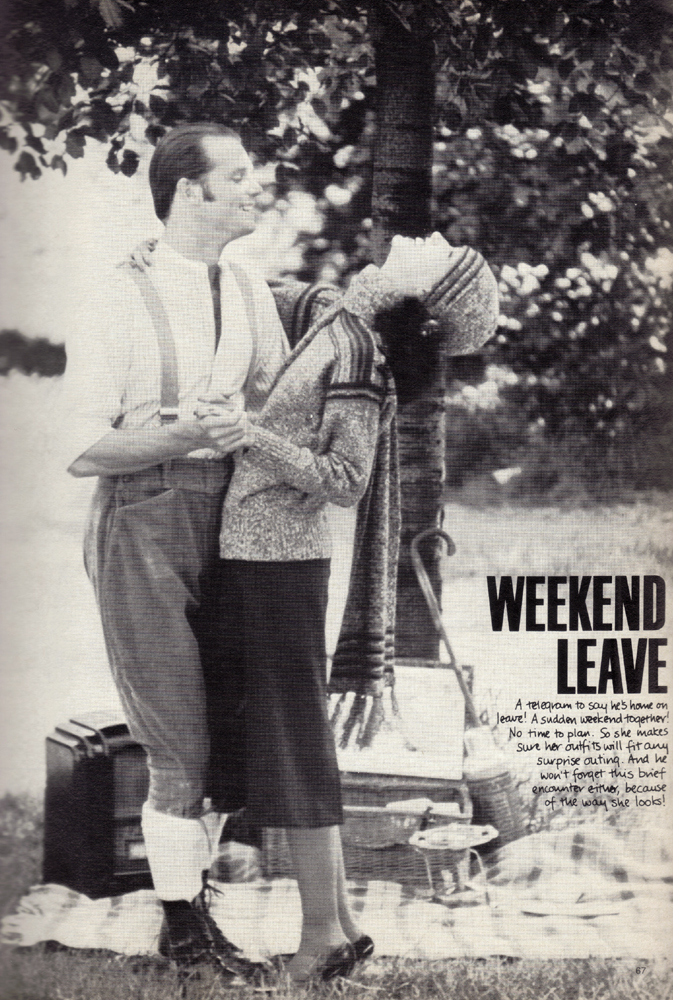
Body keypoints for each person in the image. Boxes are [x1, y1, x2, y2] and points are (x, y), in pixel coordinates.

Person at [196, 232, 499, 983]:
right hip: (265, 558)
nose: (431, 234)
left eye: (443, 250)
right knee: (296, 743)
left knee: (292, 749)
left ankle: (317, 940)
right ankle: (337, 926)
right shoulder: (345, 320)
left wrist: (249, 438)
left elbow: (344, 478)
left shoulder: (360, 355)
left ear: (426, 295)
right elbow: (254, 293)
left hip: (276, 564)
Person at [62, 122, 290, 976]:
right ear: (189, 191)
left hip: (230, 518)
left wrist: (247, 428)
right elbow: (83, 449)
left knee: (229, 733)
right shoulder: (119, 294)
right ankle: (183, 932)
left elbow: (273, 396)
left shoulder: (246, 285)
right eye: (236, 176)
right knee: (177, 740)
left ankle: (194, 917)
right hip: (141, 518)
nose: (250, 188)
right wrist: (184, 433)